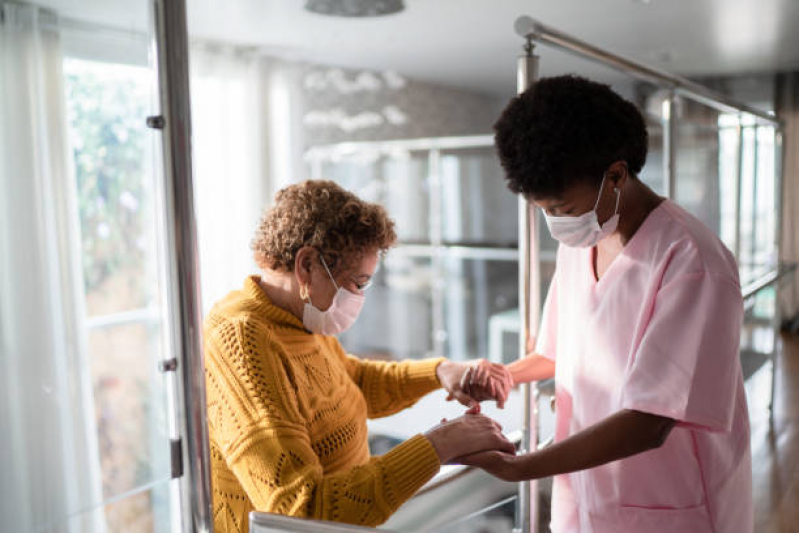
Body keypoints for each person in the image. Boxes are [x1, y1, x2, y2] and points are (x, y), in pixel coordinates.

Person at [459, 75, 752, 532]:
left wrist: (520, 468)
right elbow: (559, 355)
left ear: (615, 175)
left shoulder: (692, 261)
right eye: (543, 209)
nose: (555, 222)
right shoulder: (582, 241)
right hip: (587, 493)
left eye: (560, 207)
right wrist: (503, 375)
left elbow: (651, 419)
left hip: (668, 503)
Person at [203, 180, 514, 532]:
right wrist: (437, 446)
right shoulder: (243, 341)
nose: (360, 298)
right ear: (306, 266)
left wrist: (441, 372)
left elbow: (351, 383)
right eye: (358, 283)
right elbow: (300, 513)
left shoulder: (297, 319)